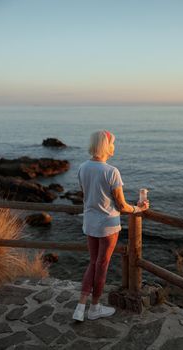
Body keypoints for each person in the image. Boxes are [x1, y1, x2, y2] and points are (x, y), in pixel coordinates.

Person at [72, 130, 149, 322]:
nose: (115, 147)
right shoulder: (111, 171)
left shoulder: (82, 167)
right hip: (107, 225)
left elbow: (86, 195)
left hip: (89, 223)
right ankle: (95, 308)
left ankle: (80, 307)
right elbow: (122, 206)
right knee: (102, 266)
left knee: (92, 263)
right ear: (107, 146)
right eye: (113, 143)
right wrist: (137, 209)